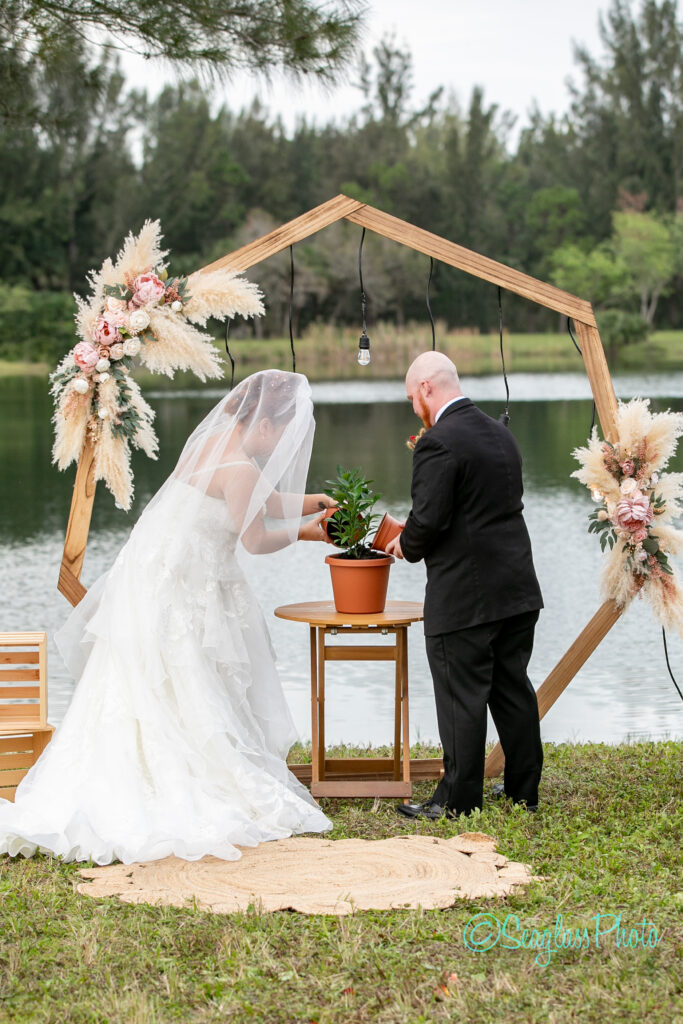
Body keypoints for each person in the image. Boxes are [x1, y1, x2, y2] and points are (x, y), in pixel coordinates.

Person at [0, 370, 335, 864]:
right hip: (186, 591)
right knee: (186, 687)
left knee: (144, 688)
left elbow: (255, 500)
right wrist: (311, 532)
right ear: (263, 424)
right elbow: (256, 537)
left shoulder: (220, 441)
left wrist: (311, 502)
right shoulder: (242, 464)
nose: (285, 443)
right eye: (283, 431)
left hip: (155, 582)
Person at [385, 351, 544, 819]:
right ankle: (522, 792)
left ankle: (456, 801)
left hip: (466, 596)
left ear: (428, 388)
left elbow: (428, 520)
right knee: (513, 689)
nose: (415, 407)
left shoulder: (437, 443)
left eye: (413, 397)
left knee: (461, 696)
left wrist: (403, 545)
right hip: (517, 588)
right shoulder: (501, 434)